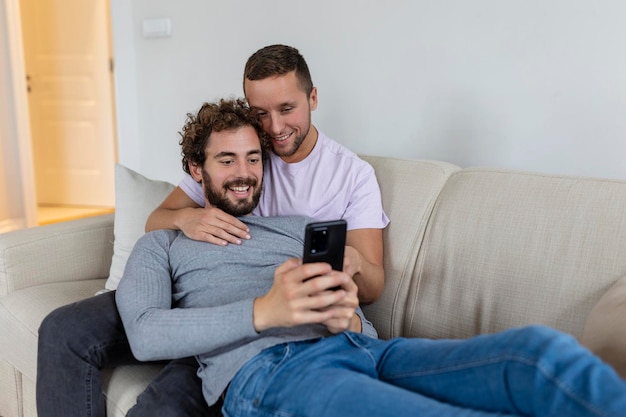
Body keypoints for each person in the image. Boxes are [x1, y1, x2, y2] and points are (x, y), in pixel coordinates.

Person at [117, 97, 626, 417]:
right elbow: (144, 334)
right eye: (227, 160)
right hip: (270, 373)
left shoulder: (299, 228)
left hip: (365, 351)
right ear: (195, 168)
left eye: (254, 158)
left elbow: (356, 307)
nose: (245, 172)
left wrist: (352, 317)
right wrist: (265, 313)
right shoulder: (162, 243)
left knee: (537, 355)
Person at [36, 44, 388, 417]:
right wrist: (186, 218)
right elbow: (159, 218)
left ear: (313, 98)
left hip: (260, 310)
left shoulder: (350, 174)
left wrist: (349, 264)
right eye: (261, 114)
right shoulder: (246, 147)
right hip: (194, 286)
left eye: (287, 109)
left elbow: (372, 286)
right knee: (64, 329)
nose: (275, 127)